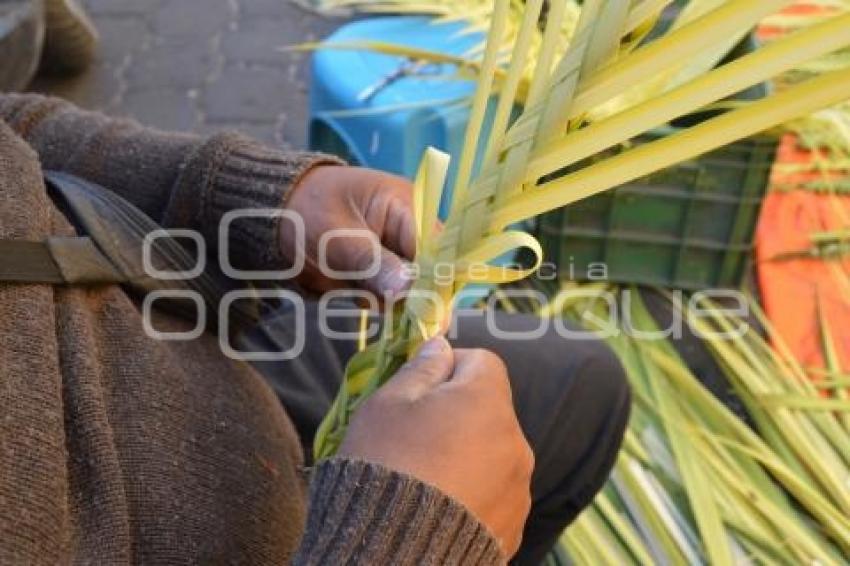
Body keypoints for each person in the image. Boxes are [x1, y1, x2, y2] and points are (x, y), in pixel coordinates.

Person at [0, 89, 629, 565]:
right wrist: (411, 537)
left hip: (175, 345)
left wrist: (253, 197)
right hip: (319, 534)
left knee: (581, 386)